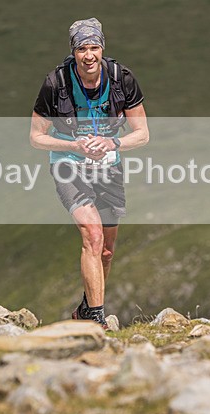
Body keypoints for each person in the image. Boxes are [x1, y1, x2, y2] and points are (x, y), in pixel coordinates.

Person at [30, 18, 149, 329]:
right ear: (74, 52)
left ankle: (86, 308)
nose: (88, 55)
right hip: (68, 164)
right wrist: (74, 146)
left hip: (109, 166)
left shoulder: (121, 79)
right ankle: (97, 318)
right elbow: (36, 137)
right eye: (82, 48)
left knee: (106, 251)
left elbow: (142, 134)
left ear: (102, 49)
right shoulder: (55, 83)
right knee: (93, 235)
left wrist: (113, 142)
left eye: (94, 47)